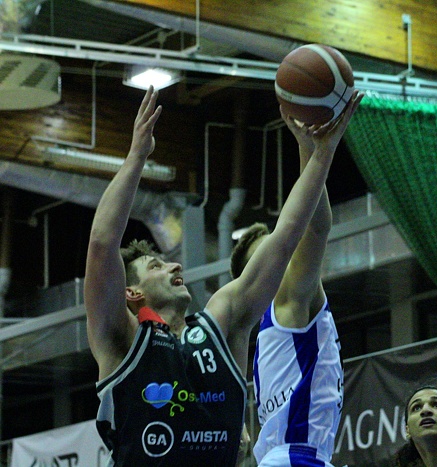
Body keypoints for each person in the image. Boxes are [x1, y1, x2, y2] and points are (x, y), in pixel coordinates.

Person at [84, 85, 362, 466]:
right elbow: (102, 244)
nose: (174, 265)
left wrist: (323, 153)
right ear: (132, 293)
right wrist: (136, 157)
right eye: (156, 266)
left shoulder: (221, 320)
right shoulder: (120, 340)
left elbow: (286, 239)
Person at [229, 109, 344, 466]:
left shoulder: (262, 329)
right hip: (297, 458)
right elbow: (316, 228)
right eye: (270, 253)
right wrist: (312, 149)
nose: (283, 254)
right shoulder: (288, 301)